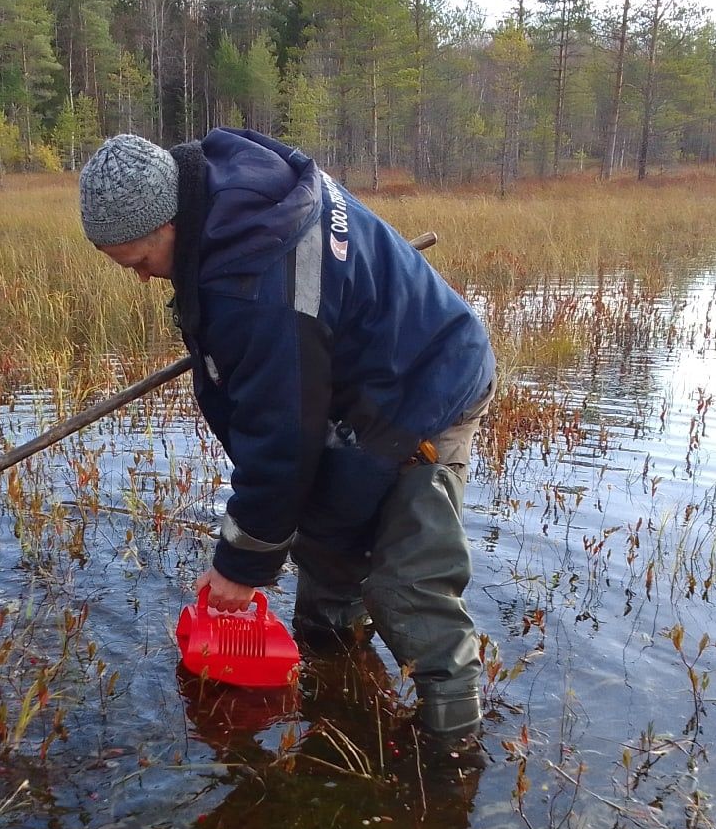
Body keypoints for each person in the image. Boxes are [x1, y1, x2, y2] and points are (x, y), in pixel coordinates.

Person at [79, 128, 495, 740]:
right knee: (327, 560)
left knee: (408, 587)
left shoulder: (255, 280)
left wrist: (239, 566)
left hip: (423, 391)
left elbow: (281, 438)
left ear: (171, 220)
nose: (142, 279)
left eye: (141, 262)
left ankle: (452, 760)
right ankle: (341, 702)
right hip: (347, 392)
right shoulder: (229, 197)